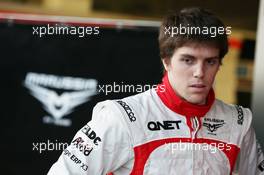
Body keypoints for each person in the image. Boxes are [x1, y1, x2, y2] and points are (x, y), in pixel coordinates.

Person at [47, 7, 264, 175]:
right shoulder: (122, 117)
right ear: (167, 61)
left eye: (210, 61)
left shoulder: (238, 122)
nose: (199, 72)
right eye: (188, 60)